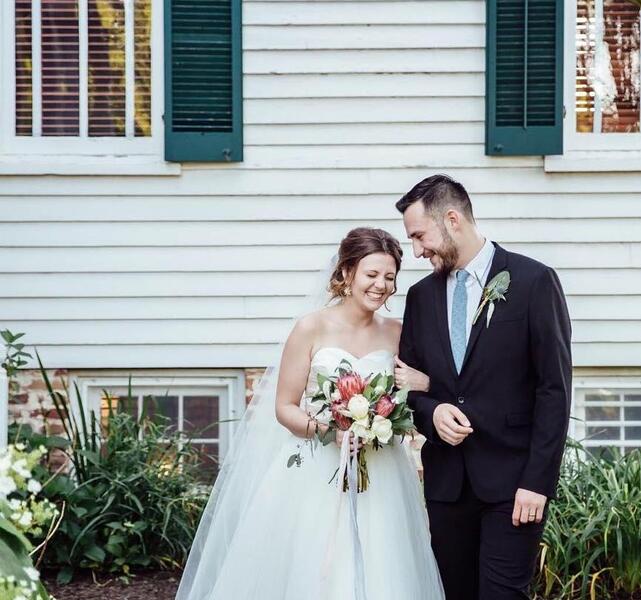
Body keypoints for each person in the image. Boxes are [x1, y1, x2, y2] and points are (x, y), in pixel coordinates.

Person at [175, 227, 444, 600]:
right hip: (316, 467)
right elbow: (284, 407)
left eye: (389, 277)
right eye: (371, 275)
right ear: (346, 273)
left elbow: (421, 388)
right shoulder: (311, 327)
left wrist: (416, 389)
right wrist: (329, 431)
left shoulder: (399, 332)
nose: (381, 286)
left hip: (382, 470)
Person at [396, 174, 572, 600]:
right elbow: (409, 389)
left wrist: (538, 482)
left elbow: (554, 389)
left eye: (419, 236)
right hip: (447, 488)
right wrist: (433, 412)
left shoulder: (533, 282)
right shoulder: (420, 298)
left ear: (452, 219)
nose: (417, 251)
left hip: (514, 487)